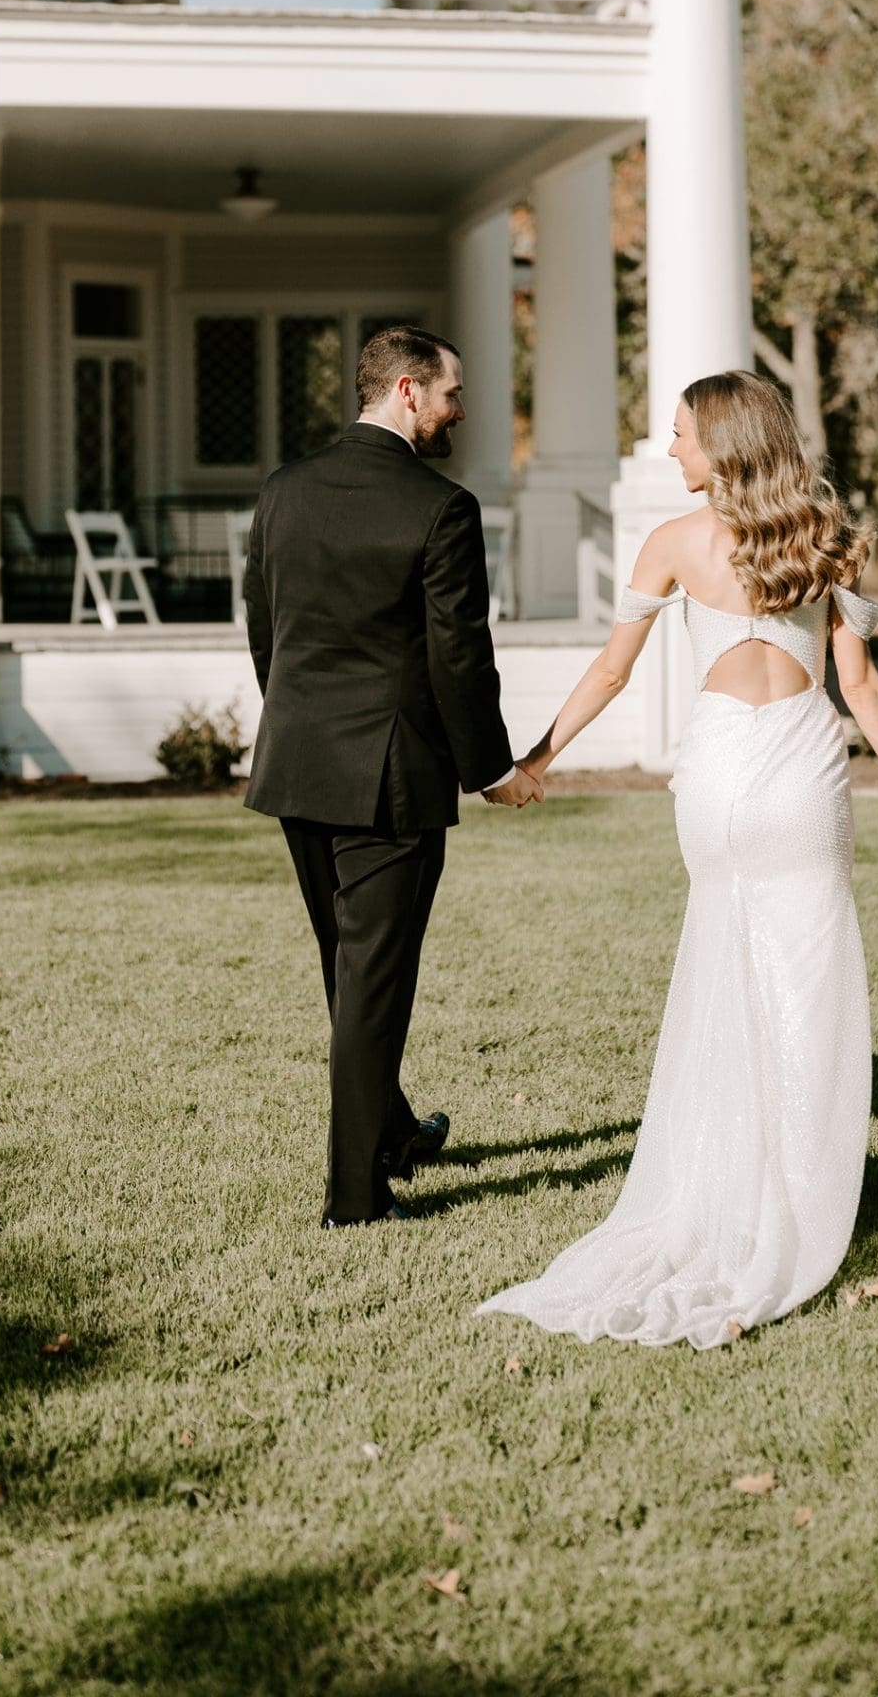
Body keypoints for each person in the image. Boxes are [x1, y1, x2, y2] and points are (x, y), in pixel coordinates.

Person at [479, 368, 878, 1346]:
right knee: (805, 987)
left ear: (723, 441)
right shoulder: (824, 534)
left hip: (720, 779)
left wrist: (536, 759)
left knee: (724, 975)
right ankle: (796, 1197)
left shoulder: (673, 544)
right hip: (801, 773)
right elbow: (859, 685)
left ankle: (725, 1189)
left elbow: (613, 670)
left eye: (681, 432)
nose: (671, 447)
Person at [243, 324, 541, 1228]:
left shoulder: (282, 489)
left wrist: (300, 722)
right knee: (373, 984)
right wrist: (491, 769)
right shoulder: (440, 507)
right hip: (389, 779)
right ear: (408, 391)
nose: (461, 411)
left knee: (349, 973)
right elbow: (460, 656)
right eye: (452, 394)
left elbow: (265, 631)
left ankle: (395, 1131)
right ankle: (355, 1200)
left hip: (297, 763)